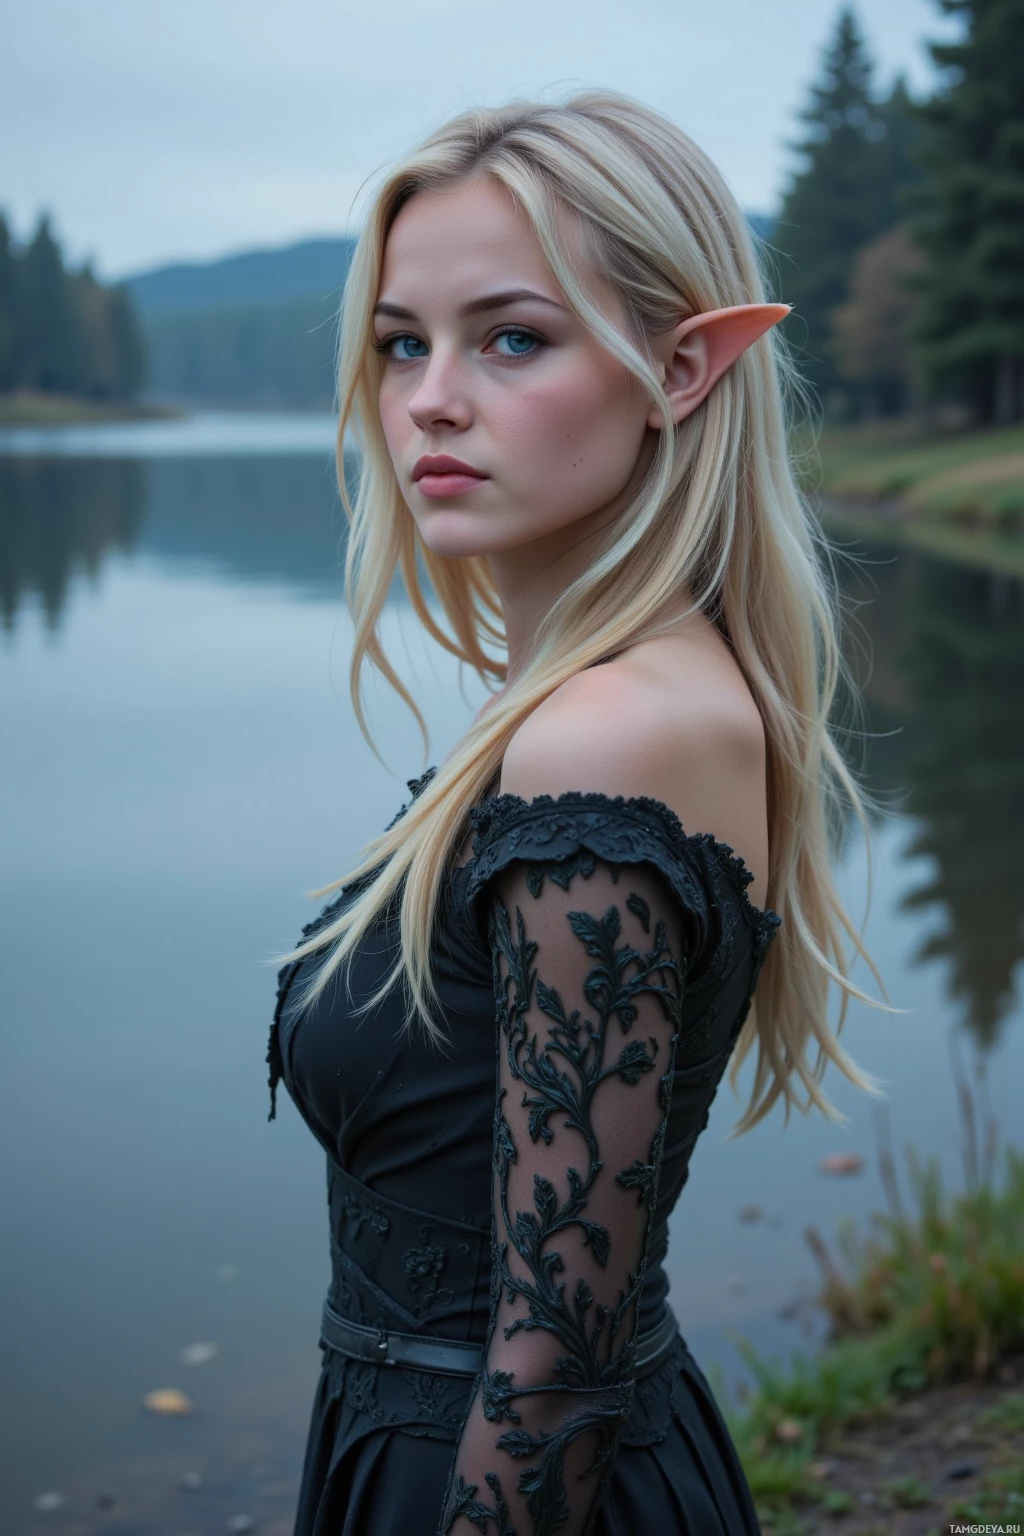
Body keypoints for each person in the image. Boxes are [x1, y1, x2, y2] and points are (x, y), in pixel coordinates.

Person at [267, 89, 877, 1536]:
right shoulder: (610, 697)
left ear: (680, 368)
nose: (430, 399)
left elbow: (555, 1363)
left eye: (511, 338)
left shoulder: (610, 733)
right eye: (401, 343)